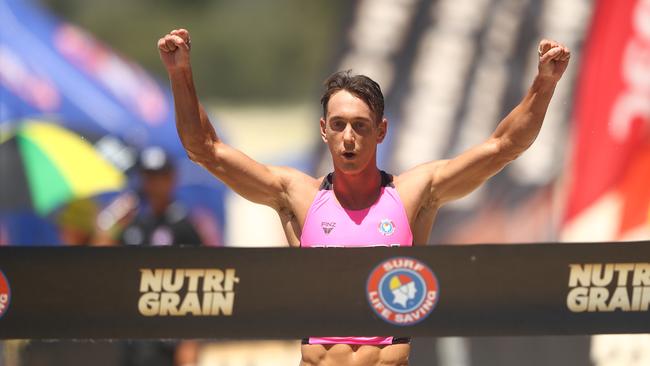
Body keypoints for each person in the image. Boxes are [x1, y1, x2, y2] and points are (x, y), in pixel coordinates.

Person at [157, 28, 570, 366]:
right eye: (338, 125)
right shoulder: (297, 195)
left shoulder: (413, 193)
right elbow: (204, 149)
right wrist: (180, 74)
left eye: (360, 125)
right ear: (323, 130)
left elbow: (503, 147)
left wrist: (544, 83)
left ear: (382, 131)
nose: (349, 138)